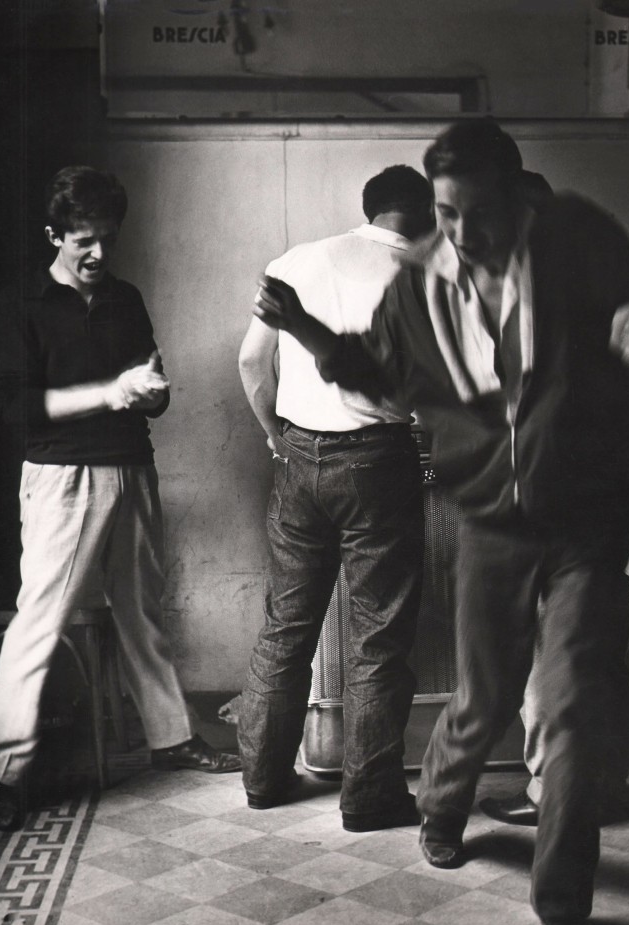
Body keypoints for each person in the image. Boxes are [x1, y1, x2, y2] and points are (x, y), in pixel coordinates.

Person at [250, 120, 629, 925]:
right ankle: (445, 803)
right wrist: (304, 326)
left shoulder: (578, 239)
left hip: (584, 526)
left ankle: (562, 904)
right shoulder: (421, 281)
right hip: (489, 526)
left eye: (476, 213)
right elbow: (368, 368)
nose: (460, 234)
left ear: (519, 201)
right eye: (445, 215)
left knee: (567, 714)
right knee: (484, 697)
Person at [0, 166, 241, 834]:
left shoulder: (124, 297)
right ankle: (2, 773)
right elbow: (14, 406)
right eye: (83, 241)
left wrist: (150, 392)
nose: (98, 254)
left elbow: (154, 391)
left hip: (131, 467)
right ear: (54, 234)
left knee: (143, 614)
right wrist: (111, 392)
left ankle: (171, 738)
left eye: (106, 240)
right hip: (63, 476)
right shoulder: (22, 301)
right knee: (39, 622)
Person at [237, 165, 433, 832]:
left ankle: (263, 780)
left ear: (370, 208)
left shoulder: (294, 259)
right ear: (420, 212)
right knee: (377, 636)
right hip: (378, 460)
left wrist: (275, 438)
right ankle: (369, 798)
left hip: (297, 453)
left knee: (286, 625)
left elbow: (248, 363)